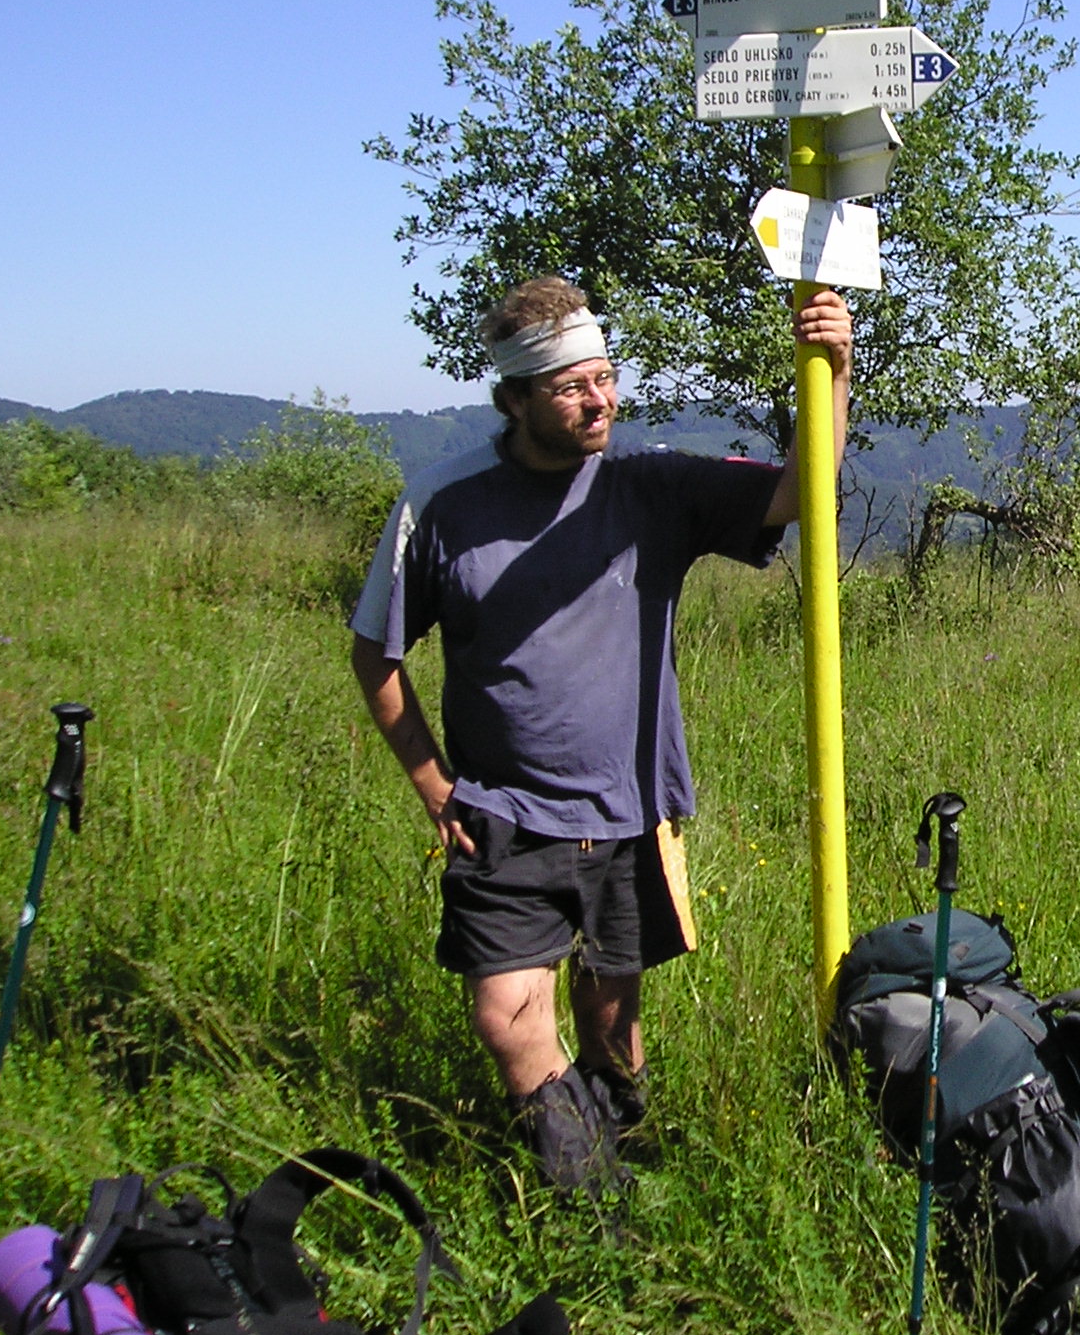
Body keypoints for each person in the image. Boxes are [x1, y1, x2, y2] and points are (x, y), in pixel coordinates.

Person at [349, 275, 852, 1189]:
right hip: (499, 814)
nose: (600, 401)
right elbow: (374, 653)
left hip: (627, 809)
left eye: (606, 377)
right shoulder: (445, 503)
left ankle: (628, 1168)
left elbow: (797, 494)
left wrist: (835, 372)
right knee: (509, 1014)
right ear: (514, 399)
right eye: (572, 387)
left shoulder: (647, 486)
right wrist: (434, 788)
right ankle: (586, 1198)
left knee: (613, 1017)